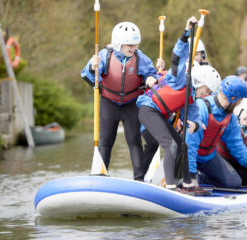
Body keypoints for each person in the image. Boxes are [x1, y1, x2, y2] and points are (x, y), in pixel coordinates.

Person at [137, 16, 219, 195]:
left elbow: (194, 116)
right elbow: (176, 56)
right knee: (170, 145)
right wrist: (186, 31)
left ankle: (187, 183)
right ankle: (171, 186)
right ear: (200, 81)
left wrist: (195, 124)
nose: (206, 95)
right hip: (148, 109)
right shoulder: (180, 78)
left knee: (183, 145)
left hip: (159, 114)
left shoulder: (191, 98)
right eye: (207, 90)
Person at [81, 21, 157, 181]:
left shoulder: (139, 57)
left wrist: (150, 78)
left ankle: (139, 179)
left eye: (135, 44)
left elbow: (151, 72)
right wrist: (92, 68)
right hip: (109, 103)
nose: (133, 47)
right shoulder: (103, 55)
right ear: (118, 42)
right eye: (129, 44)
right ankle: (101, 176)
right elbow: (86, 75)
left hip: (131, 104)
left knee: (134, 141)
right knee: (105, 142)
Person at [186, 76, 247, 189]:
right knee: (189, 176)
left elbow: (236, 144)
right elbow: (190, 144)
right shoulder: (202, 108)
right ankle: (189, 176)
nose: (239, 104)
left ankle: (201, 179)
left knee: (235, 183)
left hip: (207, 157)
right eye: (239, 101)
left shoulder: (230, 117)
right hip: (188, 155)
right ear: (233, 98)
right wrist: (191, 175)